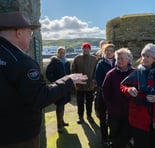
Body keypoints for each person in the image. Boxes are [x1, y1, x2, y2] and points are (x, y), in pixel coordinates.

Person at [0, 11, 88, 148]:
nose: (30, 38)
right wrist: (68, 80)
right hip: (18, 136)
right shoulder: (22, 62)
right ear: (19, 33)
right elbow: (40, 97)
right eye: (29, 33)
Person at [120, 43, 155, 148]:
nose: (144, 58)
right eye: (143, 55)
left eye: (148, 56)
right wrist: (129, 90)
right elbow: (123, 85)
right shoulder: (137, 72)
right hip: (139, 118)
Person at [102, 48, 135, 148]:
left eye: (122, 58)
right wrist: (109, 105)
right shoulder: (111, 74)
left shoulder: (135, 73)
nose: (119, 61)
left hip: (130, 111)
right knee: (114, 134)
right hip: (114, 111)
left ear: (128, 59)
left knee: (127, 134)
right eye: (118, 59)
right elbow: (105, 90)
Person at [46, 47, 71, 133]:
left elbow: (69, 74)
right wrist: (55, 82)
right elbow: (48, 73)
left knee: (63, 104)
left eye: (63, 52)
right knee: (59, 105)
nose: (62, 54)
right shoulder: (54, 62)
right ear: (58, 53)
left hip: (65, 86)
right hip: (58, 87)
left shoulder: (67, 62)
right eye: (60, 52)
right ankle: (59, 125)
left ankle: (62, 121)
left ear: (65, 53)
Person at [95, 43, 116, 147]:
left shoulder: (118, 62)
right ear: (104, 51)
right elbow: (98, 80)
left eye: (111, 50)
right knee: (103, 118)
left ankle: (112, 137)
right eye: (107, 50)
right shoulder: (101, 63)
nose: (109, 52)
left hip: (115, 95)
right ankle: (104, 138)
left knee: (113, 117)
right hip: (103, 94)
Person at [71, 42, 98, 124]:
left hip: (90, 85)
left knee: (89, 102)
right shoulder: (77, 58)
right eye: (84, 48)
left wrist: (94, 80)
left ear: (90, 49)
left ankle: (89, 116)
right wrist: (76, 80)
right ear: (82, 49)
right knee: (80, 102)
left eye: (87, 48)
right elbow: (73, 70)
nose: (86, 49)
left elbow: (96, 71)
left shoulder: (94, 59)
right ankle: (80, 117)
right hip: (80, 85)